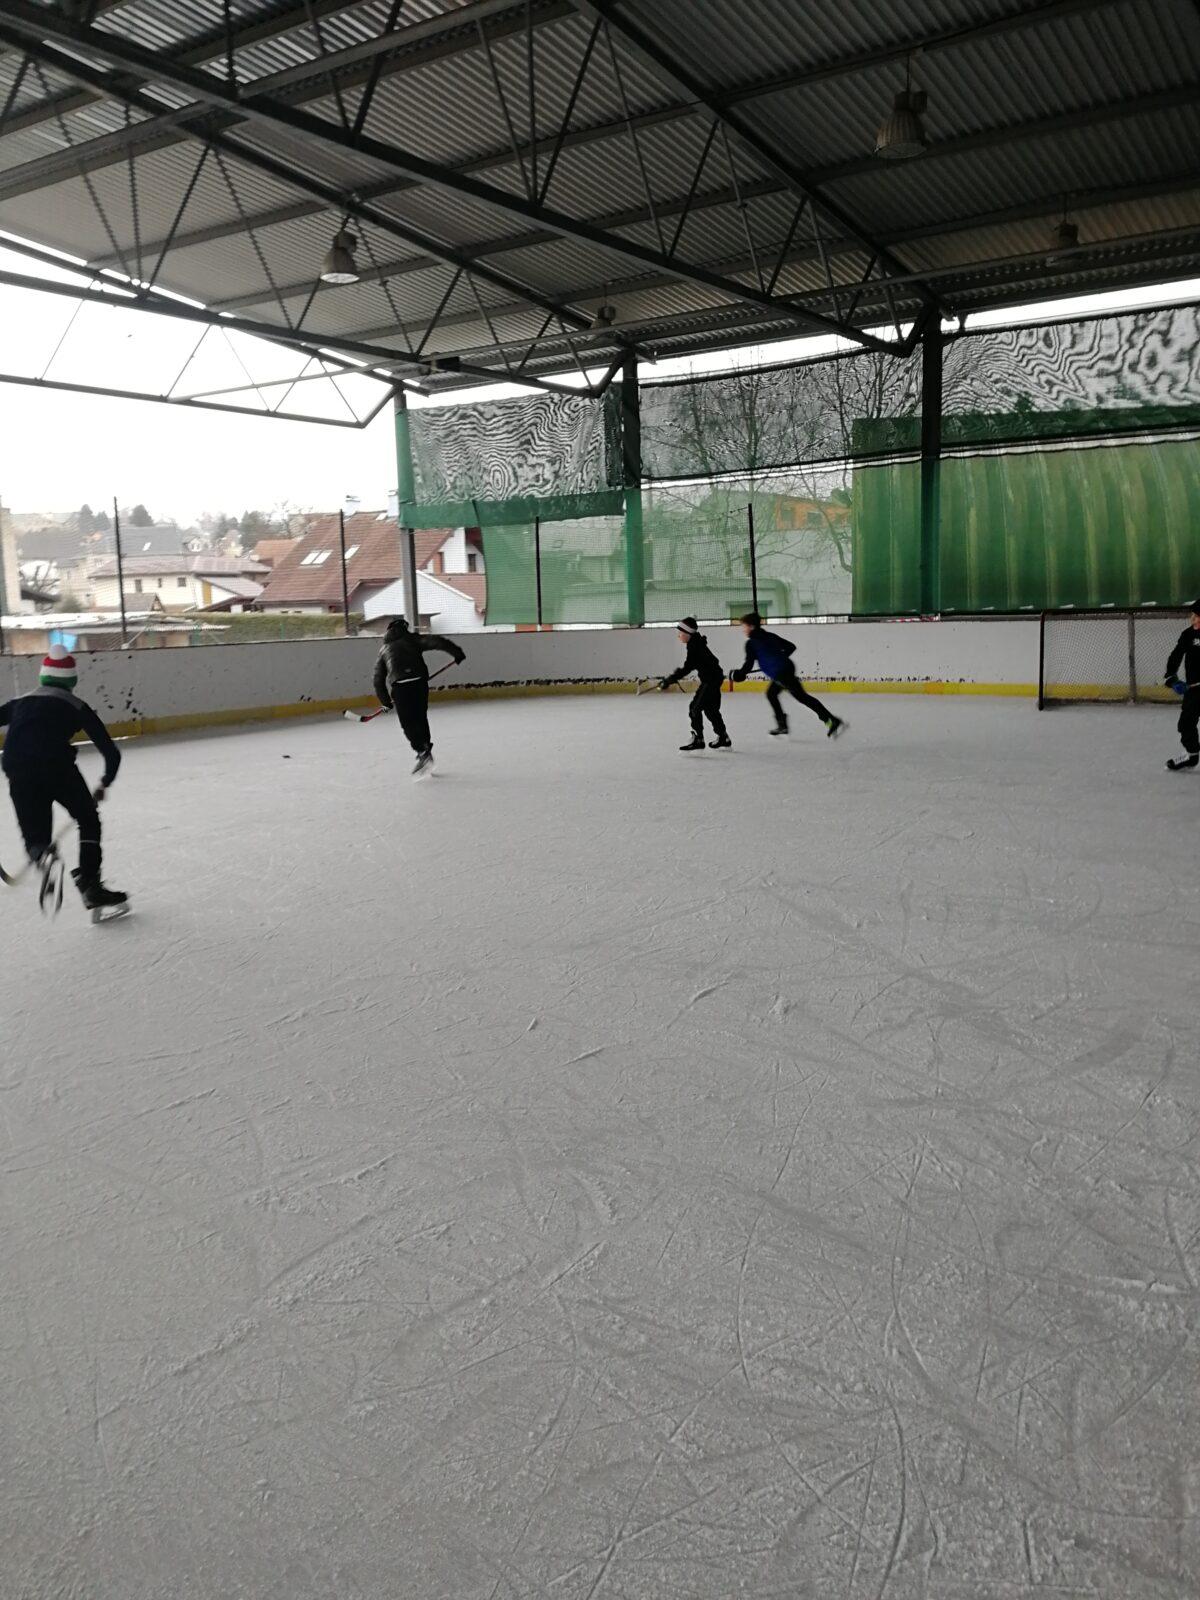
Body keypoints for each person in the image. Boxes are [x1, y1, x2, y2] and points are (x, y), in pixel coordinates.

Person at [0, 645, 126, 912]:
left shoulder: (19, 703)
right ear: (71, 680)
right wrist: (105, 782)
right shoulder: (77, 706)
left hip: (17, 768)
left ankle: (41, 854)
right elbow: (111, 752)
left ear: (43, 676)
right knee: (88, 819)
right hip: (56, 766)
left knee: (37, 837)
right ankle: (90, 886)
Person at [730, 612, 846, 740]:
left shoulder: (751, 643)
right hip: (787, 668)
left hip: (781, 673)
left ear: (751, 626)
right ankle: (782, 726)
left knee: (802, 697)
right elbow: (791, 647)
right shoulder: (770, 636)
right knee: (771, 694)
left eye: (744, 626)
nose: (743, 630)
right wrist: (779, 657)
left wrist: (738, 674)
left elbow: (748, 665)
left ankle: (831, 720)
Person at [373, 617, 466, 775]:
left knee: (408, 723)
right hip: (419, 683)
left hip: (400, 688)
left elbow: (378, 679)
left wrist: (385, 701)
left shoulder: (384, 650)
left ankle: (422, 751)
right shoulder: (413, 639)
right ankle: (426, 748)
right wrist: (457, 653)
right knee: (420, 717)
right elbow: (438, 641)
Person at [660, 616, 731, 752]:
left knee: (694, 708)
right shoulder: (696, 643)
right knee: (711, 710)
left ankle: (698, 739)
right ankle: (723, 737)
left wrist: (670, 680)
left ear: (687, 633)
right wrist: (672, 678)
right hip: (714, 679)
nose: (678, 636)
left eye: (680, 633)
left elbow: (687, 667)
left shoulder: (695, 646)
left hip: (710, 681)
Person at [1164, 598, 1200, 770]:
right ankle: (1192, 755)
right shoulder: (1187, 634)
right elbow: (1176, 656)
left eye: (1197, 615)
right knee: (1185, 723)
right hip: (1194, 690)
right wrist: (1172, 678)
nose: (1193, 618)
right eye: (1193, 614)